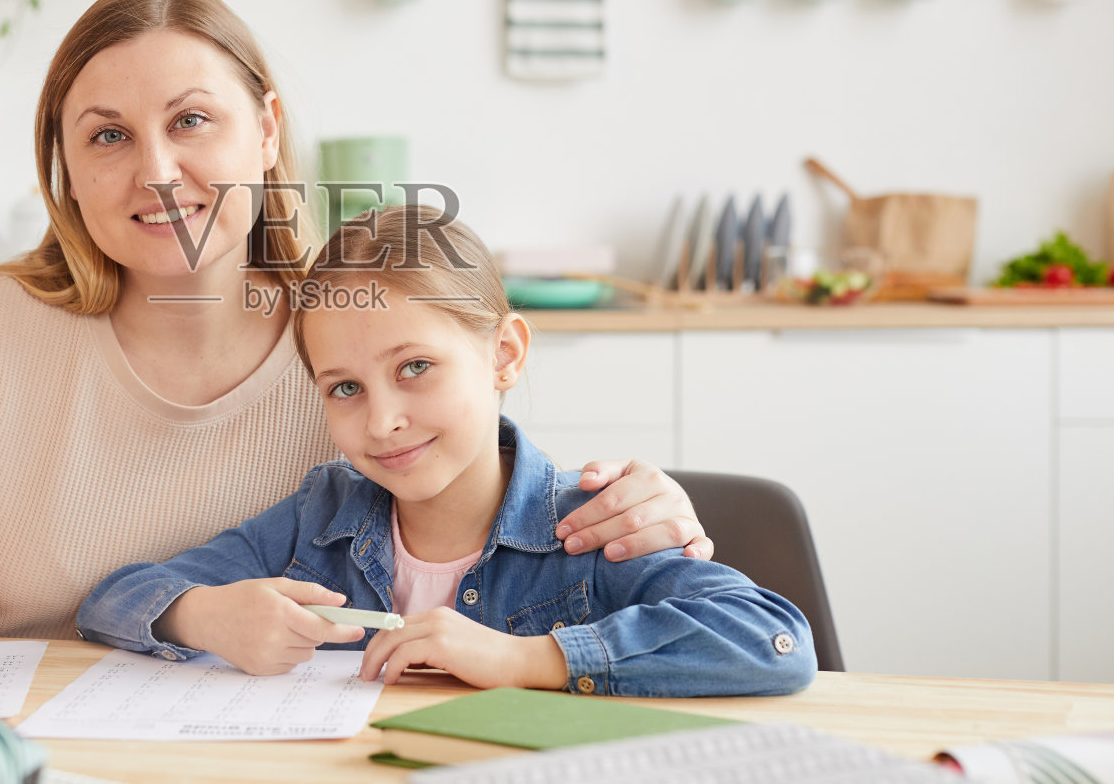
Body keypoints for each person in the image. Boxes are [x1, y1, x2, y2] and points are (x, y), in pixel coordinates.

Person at [0, 0, 712, 665]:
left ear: (267, 129)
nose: (157, 171)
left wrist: (643, 511)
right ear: (66, 172)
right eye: (108, 135)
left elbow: (499, 512)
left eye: (191, 120)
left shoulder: (354, 340)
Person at [77, 207, 815, 696]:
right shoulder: (318, 516)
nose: (383, 421)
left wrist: (528, 659)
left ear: (503, 355)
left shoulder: (589, 528)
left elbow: (772, 640)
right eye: (345, 388)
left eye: (415, 368)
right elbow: (112, 599)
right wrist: (202, 616)